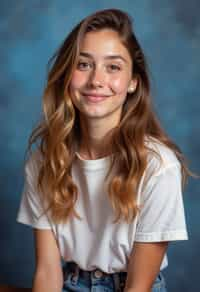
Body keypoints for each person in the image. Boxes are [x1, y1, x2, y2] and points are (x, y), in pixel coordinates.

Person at [16, 8, 192, 292]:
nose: (96, 80)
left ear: (133, 81)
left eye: (113, 67)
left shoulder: (158, 166)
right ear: (66, 76)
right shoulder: (45, 161)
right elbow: (48, 274)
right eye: (83, 64)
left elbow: (138, 287)